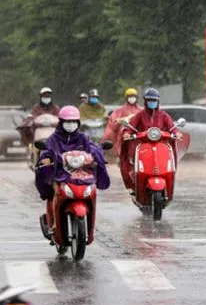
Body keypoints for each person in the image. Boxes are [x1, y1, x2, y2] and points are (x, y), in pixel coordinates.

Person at [35, 106, 110, 234]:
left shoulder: (83, 137)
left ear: (78, 123)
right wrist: (46, 159)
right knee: (55, 190)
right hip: (60, 174)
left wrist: (98, 155)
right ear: (61, 122)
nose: (71, 124)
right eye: (67, 121)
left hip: (82, 173)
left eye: (74, 121)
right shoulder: (54, 138)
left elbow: (92, 148)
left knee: (91, 191)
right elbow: (47, 151)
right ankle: (54, 222)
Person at [120, 88, 181, 193]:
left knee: (168, 161)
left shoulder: (163, 115)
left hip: (161, 146)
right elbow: (131, 127)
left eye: (154, 100)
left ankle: (168, 183)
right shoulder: (140, 115)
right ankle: (135, 182)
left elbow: (172, 127)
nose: (152, 102)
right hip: (143, 146)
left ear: (157, 101)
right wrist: (127, 134)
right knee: (133, 160)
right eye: (149, 100)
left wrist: (177, 133)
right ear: (145, 101)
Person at [103, 88, 142, 157]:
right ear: (126, 98)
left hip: (138, 135)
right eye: (130, 96)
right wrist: (121, 121)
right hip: (124, 137)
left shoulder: (141, 110)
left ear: (137, 97)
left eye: (133, 96)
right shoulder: (119, 110)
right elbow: (113, 123)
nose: (132, 98)